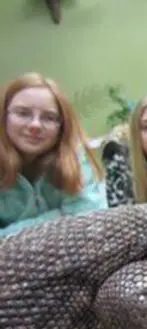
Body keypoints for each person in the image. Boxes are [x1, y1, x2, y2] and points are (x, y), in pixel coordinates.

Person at [0, 72, 107, 237]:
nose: (35, 125)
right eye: (23, 113)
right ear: (4, 117)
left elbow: (91, 221)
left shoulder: (74, 156)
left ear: (61, 127)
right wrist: (59, 216)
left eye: (49, 118)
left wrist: (8, 232)